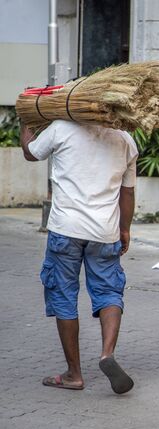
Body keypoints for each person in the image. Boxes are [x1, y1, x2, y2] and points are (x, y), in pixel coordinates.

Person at [20, 119, 138, 394]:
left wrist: (26, 121)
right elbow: (128, 192)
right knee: (109, 292)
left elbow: (30, 152)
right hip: (105, 231)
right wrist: (125, 229)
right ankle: (107, 353)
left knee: (63, 295)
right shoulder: (125, 139)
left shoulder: (61, 128)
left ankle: (74, 374)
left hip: (66, 229)